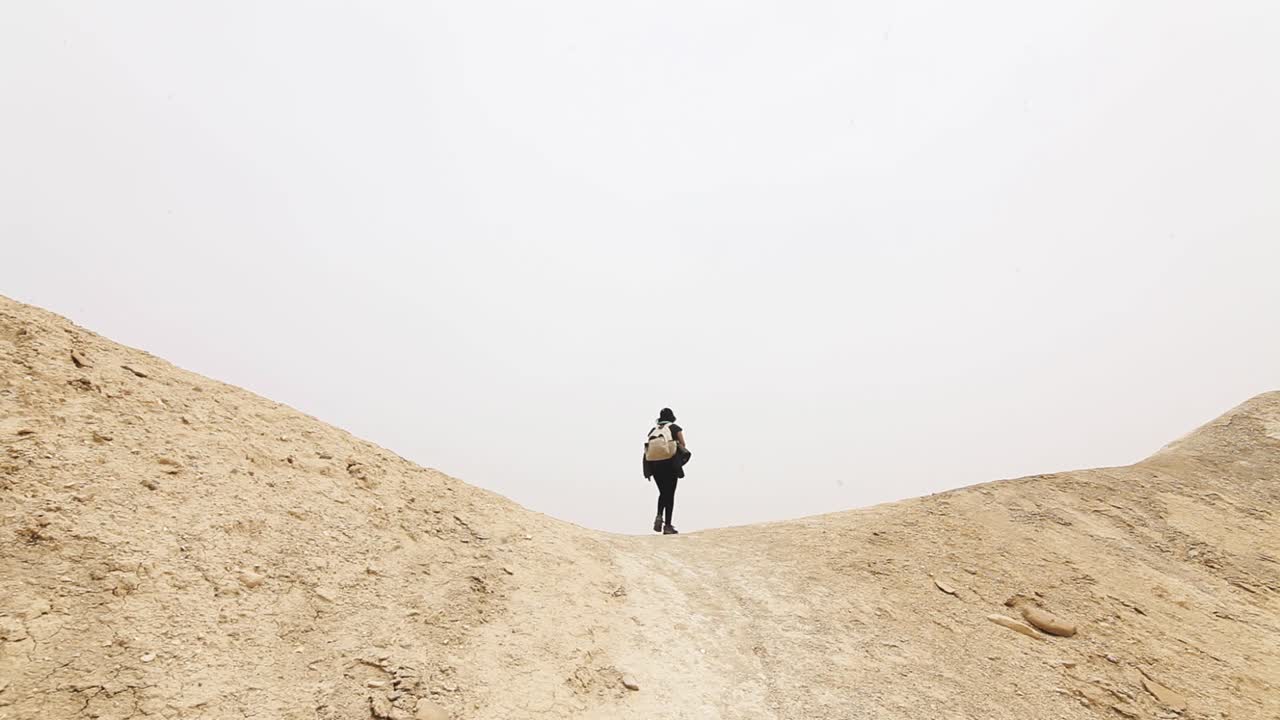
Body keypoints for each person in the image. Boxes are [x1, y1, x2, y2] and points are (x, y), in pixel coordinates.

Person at [643, 407, 690, 534]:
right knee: (670, 494)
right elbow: (683, 444)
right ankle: (668, 526)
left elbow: (648, 449)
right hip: (670, 464)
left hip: (654, 465)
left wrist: (647, 470)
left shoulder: (653, 430)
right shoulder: (675, 428)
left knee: (663, 493)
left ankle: (659, 515)